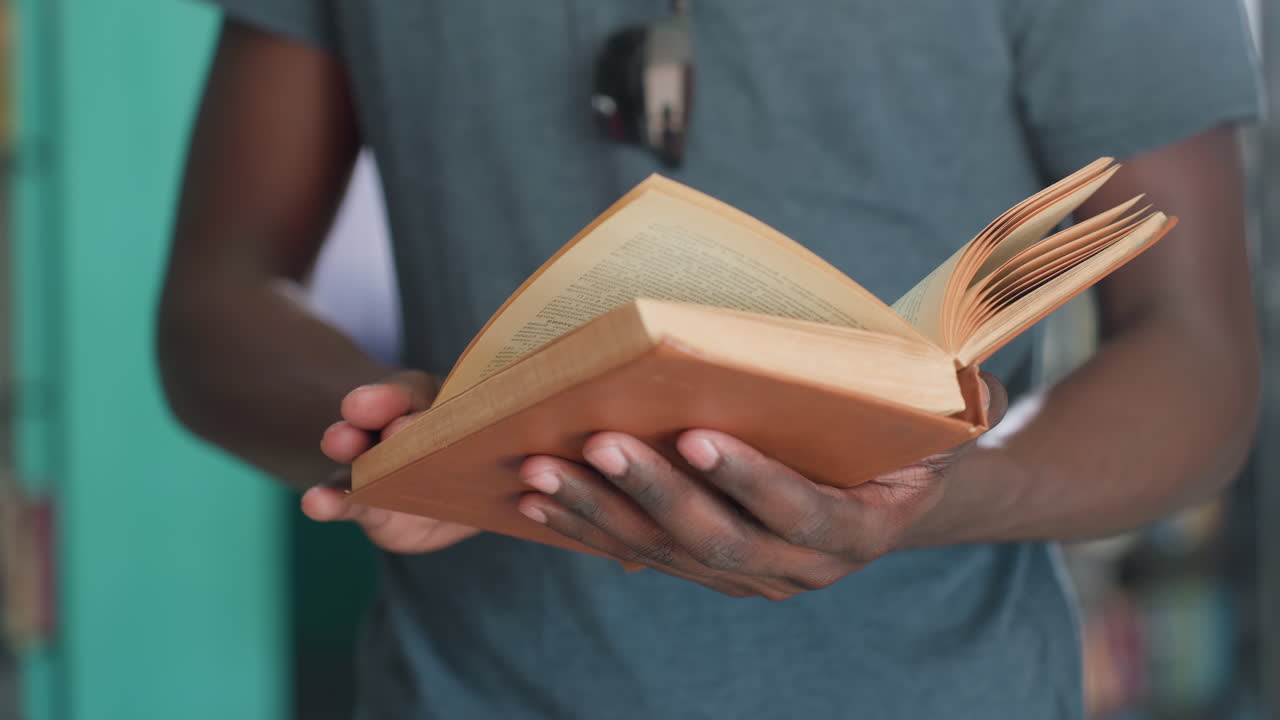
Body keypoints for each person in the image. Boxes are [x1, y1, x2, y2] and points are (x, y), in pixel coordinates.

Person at [157, 2, 1262, 718]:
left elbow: (1193, 350)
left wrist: (942, 490)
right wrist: (397, 435)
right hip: (459, 689)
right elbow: (219, 296)